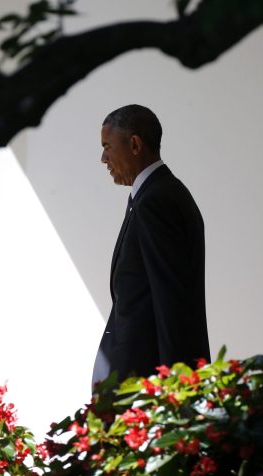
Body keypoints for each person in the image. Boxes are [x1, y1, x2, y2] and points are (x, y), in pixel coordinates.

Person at [92, 105, 210, 386]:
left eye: (107, 146)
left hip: (145, 389)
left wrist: (174, 392)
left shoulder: (157, 201)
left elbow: (172, 305)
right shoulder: (152, 196)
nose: (103, 158)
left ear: (134, 144)